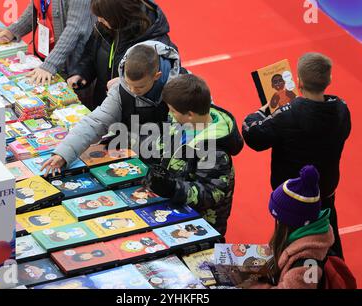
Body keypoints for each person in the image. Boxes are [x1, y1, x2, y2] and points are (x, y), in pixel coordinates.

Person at [242, 52, 351, 258]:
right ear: (329, 80)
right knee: (330, 241)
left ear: (298, 82)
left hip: (293, 197)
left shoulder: (288, 114)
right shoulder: (341, 108)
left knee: (291, 249)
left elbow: (254, 135)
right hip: (325, 191)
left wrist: (263, 111)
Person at [41, 40, 181, 176]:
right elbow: (95, 122)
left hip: (167, 165)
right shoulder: (121, 91)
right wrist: (63, 154)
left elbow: (192, 135)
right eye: (127, 83)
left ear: (157, 76)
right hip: (131, 159)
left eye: (139, 87)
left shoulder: (181, 89)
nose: (132, 90)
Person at [145, 75, 244, 235]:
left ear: (190, 114)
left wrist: (172, 188)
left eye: (172, 110)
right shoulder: (180, 121)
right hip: (173, 207)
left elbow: (211, 193)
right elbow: (164, 142)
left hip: (200, 225)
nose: (169, 113)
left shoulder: (214, 151)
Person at [67, 0, 179, 109]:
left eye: (103, 16)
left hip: (132, 116)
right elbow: (90, 53)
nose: (99, 19)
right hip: (103, 105)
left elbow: (165, 82)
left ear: (119, 14)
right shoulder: (105, 26)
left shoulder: (156, 43)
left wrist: (125, 84)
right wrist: (81, 72)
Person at [248, 165, 335, 289]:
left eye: (278, 219)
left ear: (289, 222)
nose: (276, 223)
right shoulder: (300, 236)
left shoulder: (308, 263)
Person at [0, 0, 95, 85]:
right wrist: (13, 30)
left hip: (72, 64)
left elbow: (75, 29)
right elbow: (37, 6)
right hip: (45, 59)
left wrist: (50, 64)